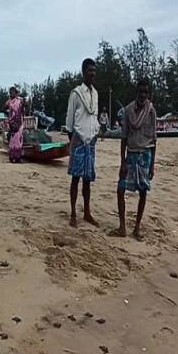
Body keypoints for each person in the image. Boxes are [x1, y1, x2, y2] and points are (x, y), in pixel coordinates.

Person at [114, 79, 157, 240]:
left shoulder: (151, 111)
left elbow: (154, 140)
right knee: (120, 190)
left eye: (146, 92)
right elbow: (123, 137)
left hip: (145, 155)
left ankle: (137, 227)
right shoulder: (127, 111)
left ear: (148, 93)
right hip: (130, 154)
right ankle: (122, 227)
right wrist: (122, 162)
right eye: (141, 92)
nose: (143, 95)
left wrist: (152, 165)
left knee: (143, 192)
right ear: (136, 92)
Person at [65, 58, 99, 228]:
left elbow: (94, 117)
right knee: (75, 179)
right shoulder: (76, 93)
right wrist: (74, 141)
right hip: (78, 140)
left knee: (87, 180)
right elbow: (69, 121)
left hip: (91, 141)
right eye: (89, 70)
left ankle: (87, 212)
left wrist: (95, 134)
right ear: (83, 72)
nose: (92, 73)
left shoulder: (96, 94)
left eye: (94, 70)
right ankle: (73, 213)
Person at [5, 86, 25, 163]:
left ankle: (18, 157)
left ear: (16, 92)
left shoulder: (20, 100)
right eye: (10, 92)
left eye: (13, 92)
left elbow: (25, 107)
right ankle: (11, 157)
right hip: (12, 122)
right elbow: (4, 108)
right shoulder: (9, 101)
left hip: (19, 122)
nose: (11, 93)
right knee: (12, 140)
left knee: (19, 140)